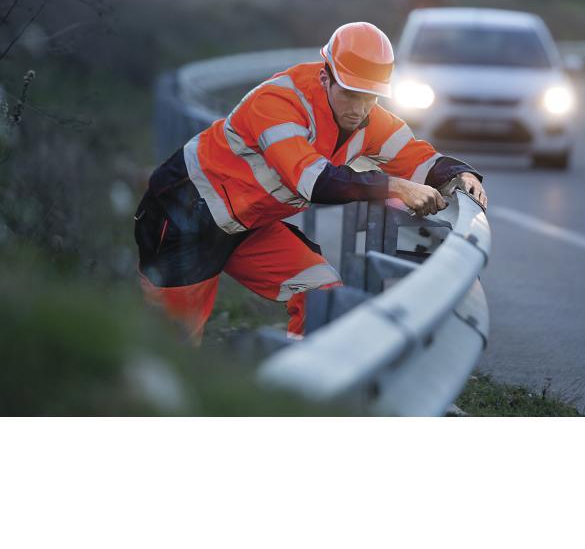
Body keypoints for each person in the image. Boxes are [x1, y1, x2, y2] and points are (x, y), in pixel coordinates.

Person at [133, 22, 488, 343]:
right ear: (325, 77)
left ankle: (299, 385)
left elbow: (416, 157)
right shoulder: (278, 103)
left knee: (323, 294)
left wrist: (460, 174)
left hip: (249, 225)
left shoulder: (369, 118)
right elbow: (313, 181)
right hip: (185, 215)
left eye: (369, 97)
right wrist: (395, 187)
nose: (358, 109)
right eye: (350, 93)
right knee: (174, 343)